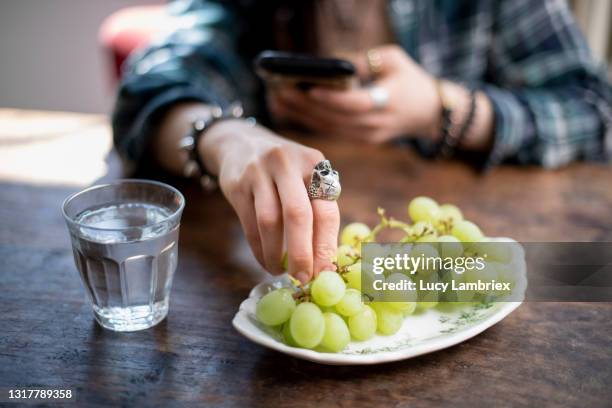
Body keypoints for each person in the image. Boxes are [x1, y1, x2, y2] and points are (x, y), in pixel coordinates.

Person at [112, 0, 612, 284]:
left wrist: (444, 110)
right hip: (270, 248)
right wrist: (224, 138)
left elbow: (595, 109)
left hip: (468, 261)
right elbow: (147, 90)